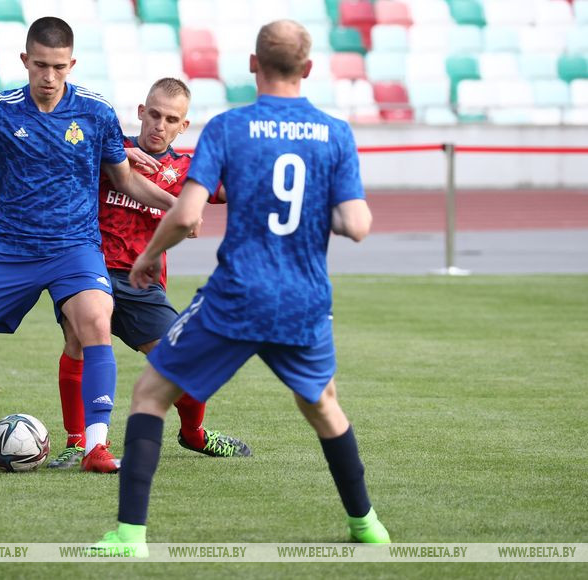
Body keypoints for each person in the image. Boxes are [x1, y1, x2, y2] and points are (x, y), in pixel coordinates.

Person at [94, 20, 390, 552]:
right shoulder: (335, 133)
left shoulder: (229, 128)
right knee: (323, 405)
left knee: (150, 394)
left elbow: (187, 216)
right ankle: (367, 525)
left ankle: (129, 536)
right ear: (308, 69)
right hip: (303, 299)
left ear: (253, 64)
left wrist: (149, 257)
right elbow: (358, 225)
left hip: (236, 296)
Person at [0, 17, 177, 473]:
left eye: (59, 67)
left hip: (75, 248)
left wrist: (174, 205)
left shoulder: (96, 112)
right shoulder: (0, 111)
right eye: (40, 65)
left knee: (96, 321)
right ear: (25, 60)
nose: (49, 76)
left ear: (72, 65)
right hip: (9, 250)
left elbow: (124, 179)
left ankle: (95, 448)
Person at [47, 78, 252, 470]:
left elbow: (234, 189)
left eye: (171, 119)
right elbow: (62, 147)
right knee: (77, 340)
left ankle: (194, 434)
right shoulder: (111, 150)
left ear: (183, 126)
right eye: (154, 114)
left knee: (184, 363)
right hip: (88, 267)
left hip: (141, 283)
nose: (160, 125)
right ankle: (77, 443)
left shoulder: (186, 170)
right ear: (141, 112)